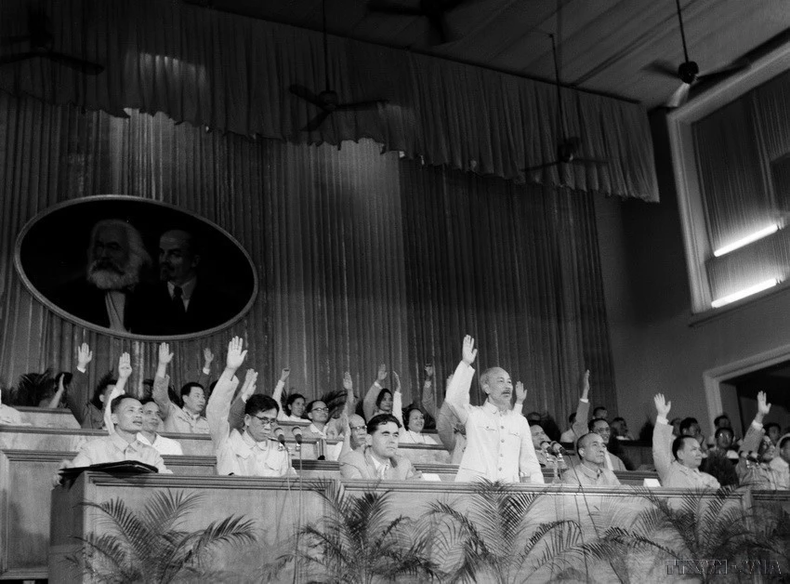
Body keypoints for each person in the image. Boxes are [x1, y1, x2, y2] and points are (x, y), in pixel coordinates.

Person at [445, 335, 543, 484]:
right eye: (500, 381)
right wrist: (465, 363)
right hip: (475, 489)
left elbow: (529, 462)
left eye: (509, 382)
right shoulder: (474, 415)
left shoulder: (520, 421)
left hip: (509, 490)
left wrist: (538, 491)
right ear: (487, 387)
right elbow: (453, 399)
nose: (507, 386)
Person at [206, 337, 293, 477]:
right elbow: (215, 410)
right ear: (247, 419)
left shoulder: (279, 449)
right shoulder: (227, 442)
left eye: (272, 421)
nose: (268, 427)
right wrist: (230, 370)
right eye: (263, 420)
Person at [55, 219, 152, 333]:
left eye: (113, 247)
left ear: (133, 255)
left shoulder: (152, 298)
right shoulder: (69, 295)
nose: (103, 254)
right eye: (100, 246)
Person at [55, 394, 169, 485]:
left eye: (141, 411)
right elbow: (70, 475)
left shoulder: (152, 454)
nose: (138, 415)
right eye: (131, 410)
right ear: (114, 418)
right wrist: (64, 473)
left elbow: (169, 482)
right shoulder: (93, 449)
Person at [149, 228, 234, 334]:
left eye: (174, 254)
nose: (164, 260)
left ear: (194, 261)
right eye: (161, 252)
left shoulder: (219, 302)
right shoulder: (144, 299)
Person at [652, 393, 720, 489]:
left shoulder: (708, 479)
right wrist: (662, 416)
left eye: (699, 449)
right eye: (693, 449)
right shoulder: (670, 472)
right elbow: (660, 451)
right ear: (680, 454)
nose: (699, 453)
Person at [339, 414, 421, 480]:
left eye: (395, 435)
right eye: (385, 435)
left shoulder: (403, 464)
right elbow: (359, 494)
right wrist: (404, 486)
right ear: (369, 439)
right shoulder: (352, 461)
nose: (392, 440)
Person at [152, 343, 210, 434]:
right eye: (197, 396)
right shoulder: (172, 413)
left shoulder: (207, 424)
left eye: (203, 397)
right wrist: (162, 365)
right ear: (185, 398)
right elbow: (160, 395)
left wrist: (207, 364)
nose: (202, 400)